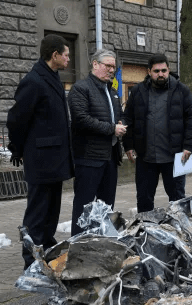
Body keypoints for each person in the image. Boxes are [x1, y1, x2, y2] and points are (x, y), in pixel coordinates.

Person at [6, 34, 74, 270]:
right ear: (54, 55)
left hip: (54, 159)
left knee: (51, 211)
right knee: (37, 213)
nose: (68, 58)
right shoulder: (34, 81)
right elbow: (16, 119)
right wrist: (18, 148)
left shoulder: (52, 77)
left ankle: (46, 249)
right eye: (65, 54)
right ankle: (31, 263)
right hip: (41, 159)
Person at [122, 54, 192, 213]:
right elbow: (128, 118)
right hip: (145, 157)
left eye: (164, 70)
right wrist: (128, 146)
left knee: (178, 200)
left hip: (177, 156)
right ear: (149, 71)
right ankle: (145, 230)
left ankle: (180, 230)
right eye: (156, 71)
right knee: (144, 199)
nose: (161, 74)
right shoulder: (138, 91)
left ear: (168, 70)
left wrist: (188, 146)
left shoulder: (181, 90)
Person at [68, 49, 126, 236]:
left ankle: (105, 241)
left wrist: (121, 124)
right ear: (95, 64)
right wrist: (111, 128)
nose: (111, 70)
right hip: (89, 158)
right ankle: (78, 243)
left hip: (110, 156)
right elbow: (81, 119)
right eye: (107, 66)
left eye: (113, 67)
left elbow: (120, 116)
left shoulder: (113, 91)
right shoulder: (81, 88)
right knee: (84, 205)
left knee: (107, 204)